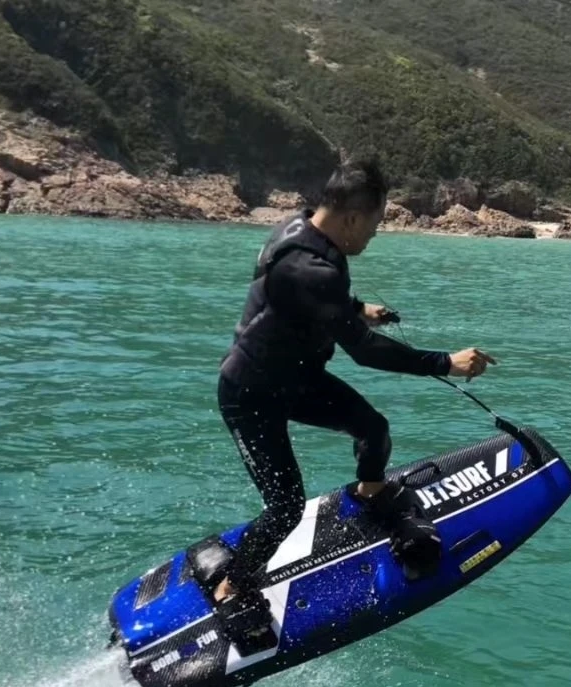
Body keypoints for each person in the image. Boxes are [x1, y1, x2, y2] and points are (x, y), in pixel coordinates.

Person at [209, 158, 495, 647]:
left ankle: (370, 493)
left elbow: (295, 294)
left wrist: (357, 309)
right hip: (250, 393)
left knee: (372, 428)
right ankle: (231, 585)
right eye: (376, 224)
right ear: (352, 217)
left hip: (296, 378)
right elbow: (365, 352)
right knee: (285, 507)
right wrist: (446, 362)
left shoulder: (303, 231)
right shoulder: (312, 270)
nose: (376, 234)